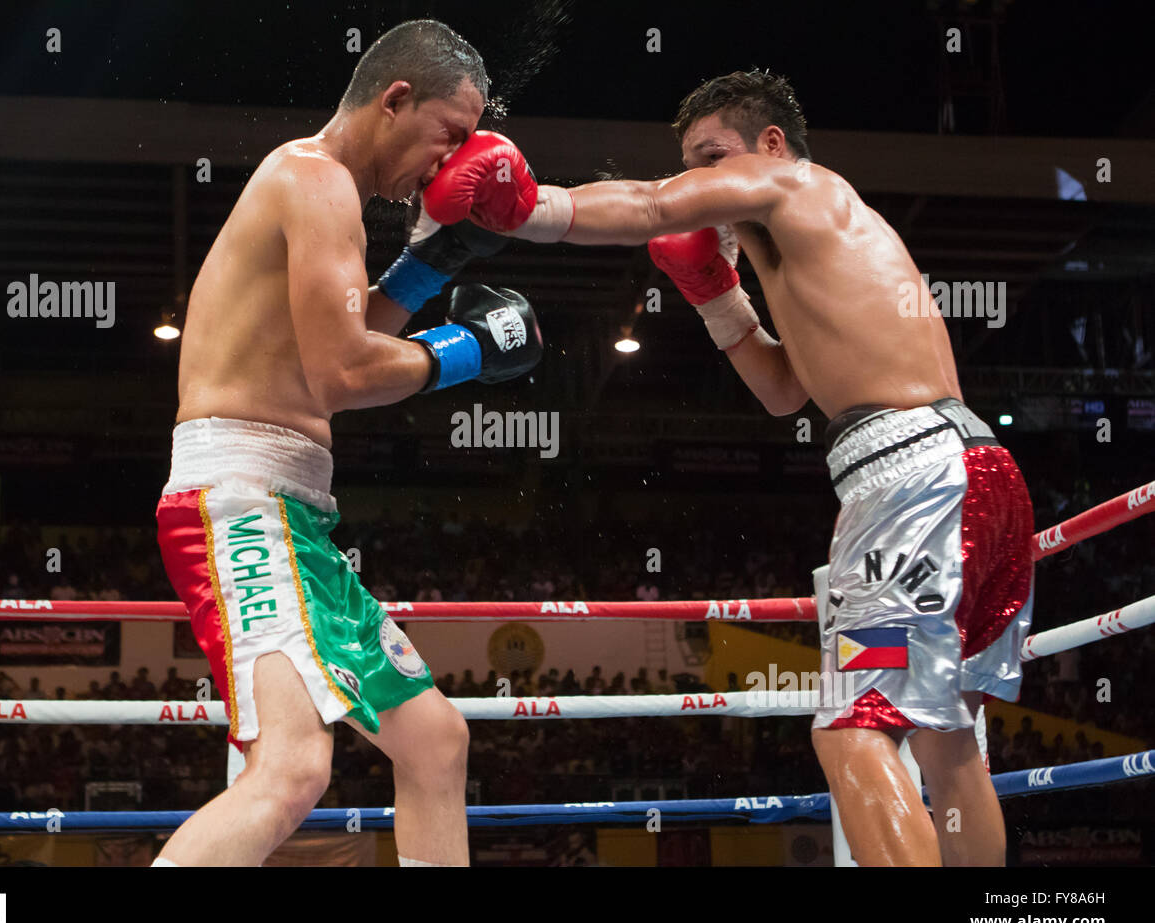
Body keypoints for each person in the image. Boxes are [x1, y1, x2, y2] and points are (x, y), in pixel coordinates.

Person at [431, 68, 1033, 866]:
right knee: (950, 747)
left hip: (911, 488)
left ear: (770, 145)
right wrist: (717, 296)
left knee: (852, 732)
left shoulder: (793, 182)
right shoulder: (809, 240)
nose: (698, 182)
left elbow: (649, 204)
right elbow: (785, 392)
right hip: (977, 478)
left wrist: (526, 207)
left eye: (711, 158)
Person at [152, 20, 543, 867]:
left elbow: (329, 346)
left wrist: (432, 267)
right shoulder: (316, 179)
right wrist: (472, 350)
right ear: (394, 99)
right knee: (293, 770)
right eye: (449, 134)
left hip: (290, 513)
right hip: (242, 503)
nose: (450, 163)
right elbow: (343, 373)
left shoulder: (321, 191)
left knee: (435, 741)